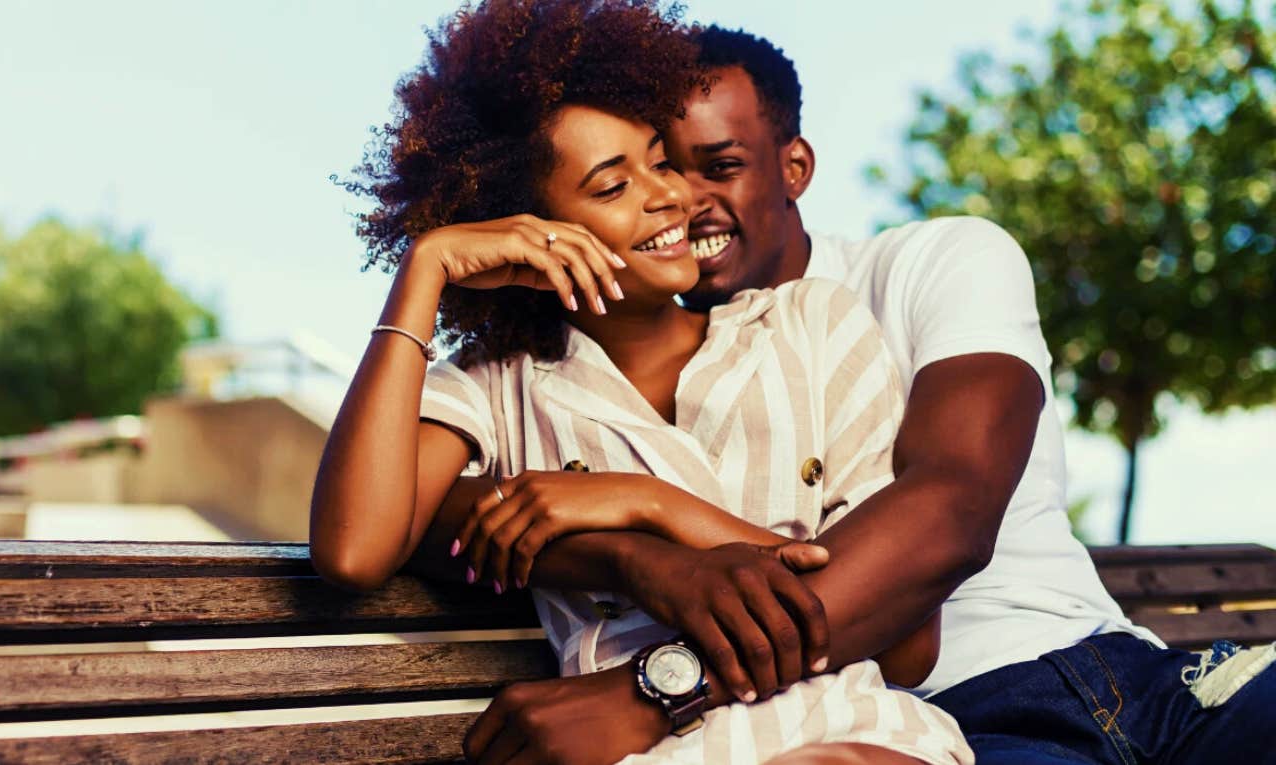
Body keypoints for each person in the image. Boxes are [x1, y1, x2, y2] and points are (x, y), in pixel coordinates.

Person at [501, 23, 1276, 764]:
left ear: (795, 166)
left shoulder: (935, 261)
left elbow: (952, 508)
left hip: (1137, 678)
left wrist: (657, 689)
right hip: (954, 726)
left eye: (720, 165)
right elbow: (447, 514)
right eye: (665, 167)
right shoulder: (637, 385)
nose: (684, 199)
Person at [311, 2, 973, 763]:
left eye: (658, 161)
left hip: (848, 737)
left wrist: (648, 504)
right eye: (610, 185)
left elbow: (908, 640)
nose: (667, 196)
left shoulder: (813, 326)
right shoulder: (497, 388)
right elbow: (355, 550)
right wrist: (424, 267)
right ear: (529, 227)